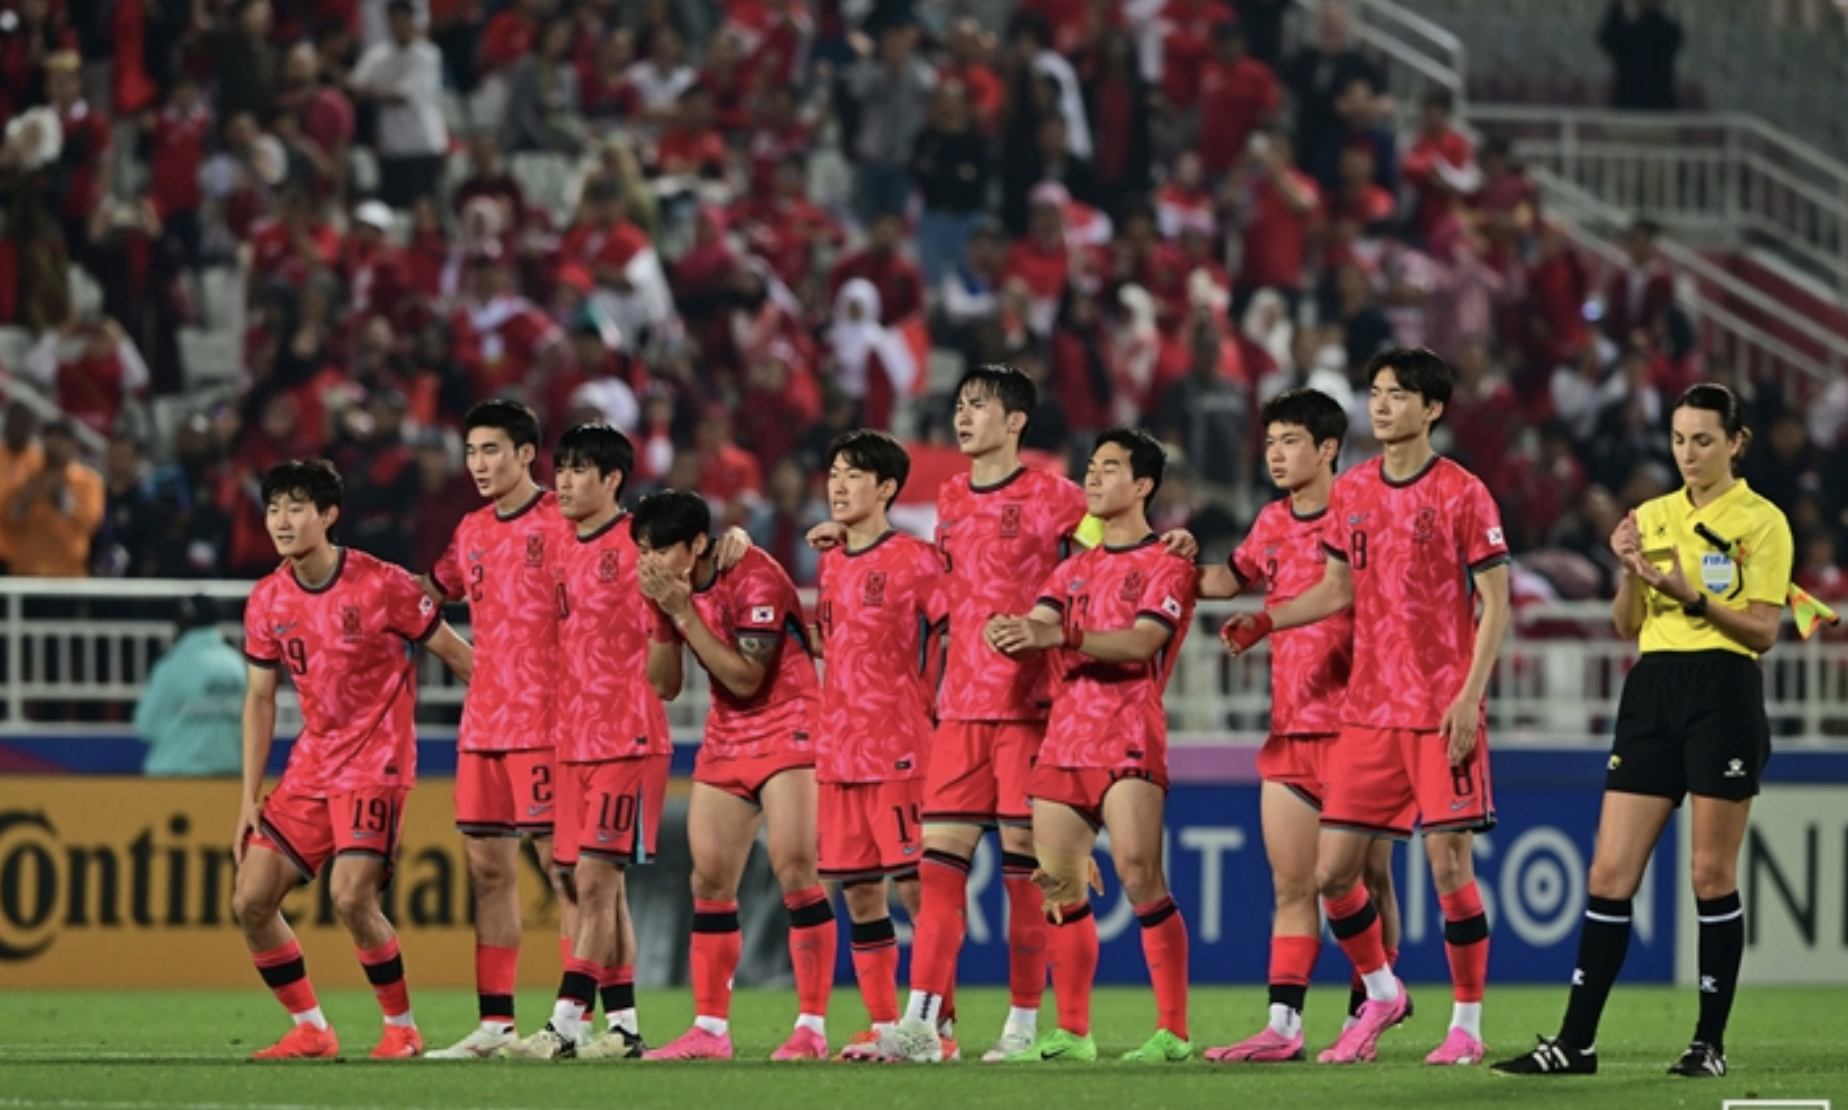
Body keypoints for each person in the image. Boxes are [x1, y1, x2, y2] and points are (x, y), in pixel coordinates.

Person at [834, 364, 1193, 1064]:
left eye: (978, 406)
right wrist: (850, 537)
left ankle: (1026, 1028)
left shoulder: (1061, 498)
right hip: (960, 710)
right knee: (937, 870)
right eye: (959, 404)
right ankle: (922, 1024)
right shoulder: (949, 496)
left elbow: (1119, 556)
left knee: (1034, 883)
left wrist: (1172, 542)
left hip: (1033, 709)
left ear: (1016, 421)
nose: (963, 417)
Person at [1493, 384, 1792, 1080]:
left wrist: (1691, 593)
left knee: (1709, 873)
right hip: (1653, 688)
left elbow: (1764, 630)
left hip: (1722, 688)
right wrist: (1630, 569)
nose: (1688, 454)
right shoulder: (1652, 515)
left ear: (1735, 443)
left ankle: (1707, 1044)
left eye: (1704, 440)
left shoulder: (1762, 521)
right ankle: (1576, 1043)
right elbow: (1628, 625)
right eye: (1680, 439)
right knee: (1608, 872)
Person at [1224, 348, 1512, 1066]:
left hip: (1441, 710)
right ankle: (1382, 991)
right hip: (1369, 715)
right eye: (1376, 393)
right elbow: (1336, 591)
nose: (1382, 406)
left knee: (1449, 869)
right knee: (1332, 875)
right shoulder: (1352, 490)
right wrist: (1268, 620)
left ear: (1433, 408)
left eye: (1398, 395)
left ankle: (1467, 1028)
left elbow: (1497, 601)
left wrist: (1471, 696)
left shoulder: (1462, 492)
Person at [231, 459, 474, 1060]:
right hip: (312, 767)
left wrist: (517, 715)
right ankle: (312, 1027)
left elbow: (457, 654)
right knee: (251, 900)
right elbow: (260, 699)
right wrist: (246, 797)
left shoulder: (381, 583)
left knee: (351, 896)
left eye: (296, 508)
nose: (282, 522)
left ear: (328, 514)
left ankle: (402, 1028)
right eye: (274, 509)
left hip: (378, 761)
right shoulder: (266, 599)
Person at [1195, 389, 1404, 1062]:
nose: (1277, 454)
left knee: (1364, 880)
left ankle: (1363, 1014)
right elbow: (1229, 579)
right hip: (1292, 725)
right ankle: (1283, 1027)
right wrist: (1161, 560)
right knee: (1293, 884)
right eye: (1271, 442)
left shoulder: (1369, 515)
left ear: (1327, 449)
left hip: (1362, 725)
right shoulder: (1271, 522)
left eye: (1291, 441)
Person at [982, 428, 1198, 1063]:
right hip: (1064, 741)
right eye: (1092, 467)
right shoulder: (1071, 569)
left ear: (1143, 486)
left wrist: (1056, 635)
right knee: (1058, 884)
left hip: (1129, 737)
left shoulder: (1169, 562)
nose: (1095, 478)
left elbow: (1139, 645)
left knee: (1140, 877)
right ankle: (1073, 1032)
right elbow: (1041, 626)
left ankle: (1174, 1034)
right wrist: (1014, 630)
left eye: (1109, 468)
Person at [633, 489, 834, 1062]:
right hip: (728, 737)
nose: (647, 563)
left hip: (790, 723)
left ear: (696, 545)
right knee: (710, 880)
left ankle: (812, 1027)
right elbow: (665, 684)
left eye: (657, 550)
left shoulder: (756, 577)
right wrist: (665, 619)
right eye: (642, 550)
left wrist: (681, 614)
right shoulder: (666, 591)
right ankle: (709, 1031)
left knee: (795, 869)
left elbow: (747, 678)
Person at [501, 424, 672, 1060]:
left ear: (613, 480)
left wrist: (732, 541)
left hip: (627, 738)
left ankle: (566, 1024)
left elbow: (701, 557)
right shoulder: (566, 547)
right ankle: (623, 1028)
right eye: (561, 468)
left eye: (579, 470)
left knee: (596, 881)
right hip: (573, 742)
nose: (565, 481)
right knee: (595, 887)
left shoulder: (641, 542)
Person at [420, 400, 574, 1059]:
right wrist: (462, 658)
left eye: (491, 451)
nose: (479, 464)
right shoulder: (471, 529)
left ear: (525, 453)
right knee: (488, 871)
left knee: (564, 871)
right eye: (471, 451)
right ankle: (495, 1025)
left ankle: (574, 1020)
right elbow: (426, 596)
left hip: (548, 722)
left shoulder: (565, 521)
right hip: (484, 723)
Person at [810, 431, 942, 1060]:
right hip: (839, 750)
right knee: (860, 890)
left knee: (919, 891)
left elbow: (954, 630)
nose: (838, 485)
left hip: (900, 748)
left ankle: (936, 1031)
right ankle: (885, 1023)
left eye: (854, 474)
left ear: (886, 488)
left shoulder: (917, 558)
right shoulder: (830, 560)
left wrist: (933, 704)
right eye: (834, 473)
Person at [135, 595, 246, 777]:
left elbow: (145, 723)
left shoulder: (172, 666)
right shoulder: (237, 665)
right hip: (229, 777)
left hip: (175, 775)